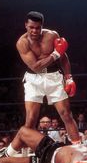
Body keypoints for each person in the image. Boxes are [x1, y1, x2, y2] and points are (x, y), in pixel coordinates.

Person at [16, 11, 79, 143]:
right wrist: (55, 54)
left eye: (37, 28)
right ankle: (28, 153)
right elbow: (36, 67)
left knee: (66, 114)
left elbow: (63, 57)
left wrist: (69, 77)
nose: (34, 31)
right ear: (25, 25)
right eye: (31, 27)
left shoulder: (52, 35)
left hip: (54, 76)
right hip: (33, 79)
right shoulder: (22, 43)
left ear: (42, 26)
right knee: (31, 119)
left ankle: (78, 148)